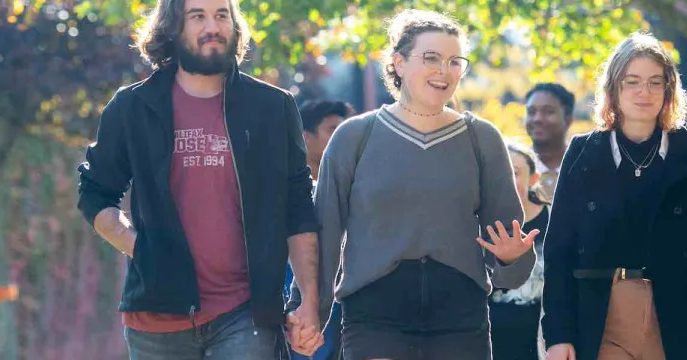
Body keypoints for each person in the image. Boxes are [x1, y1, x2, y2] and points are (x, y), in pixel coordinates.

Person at [76, 0, 324, 358]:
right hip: (157, 318)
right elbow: (95, 192)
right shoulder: (133, 107)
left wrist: (308, 302)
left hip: (246, 313)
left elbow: (298, 205)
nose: (213, 26)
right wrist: (140, 249)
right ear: (173, 28)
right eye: (198, 16)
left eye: (222, 15)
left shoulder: (272, 107)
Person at [311, 9, 538, 360]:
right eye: (431, 58)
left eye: (454, 61)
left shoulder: (482, 139)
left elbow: (512, 263)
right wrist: (310, 310)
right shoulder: (354, 136)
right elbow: (324, 234)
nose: (444, 71)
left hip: (460, 319)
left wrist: (510, 259)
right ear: (399, 63)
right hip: (374, 317)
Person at [540, 32, 687, 360]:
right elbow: (559, 251)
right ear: (614, 89)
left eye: (654, 82)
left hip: (676, 313)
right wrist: (558, 335)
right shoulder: (583, 152)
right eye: (632, 81)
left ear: (668, 90)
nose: (643, 92)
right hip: (602, 315)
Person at [286, 99, 355, 360]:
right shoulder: (284, 193)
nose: (344, 138)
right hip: (291, 300)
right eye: (333, 130)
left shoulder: (353, 191)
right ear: (305, 137)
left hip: (339, 303)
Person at [487, 142, 554, 360]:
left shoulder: (555, 221)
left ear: (533, 179)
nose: (506, 179)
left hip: (539, 344)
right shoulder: (477, 222)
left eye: (514, 172)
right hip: (487, 344)